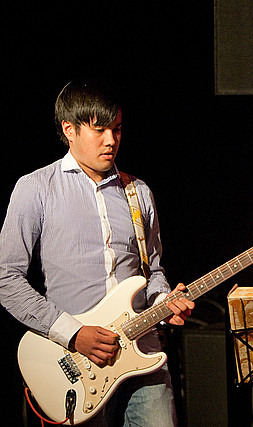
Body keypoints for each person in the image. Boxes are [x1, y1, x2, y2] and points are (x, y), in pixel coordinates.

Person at [0, 79, 195, 426]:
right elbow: (6, 280)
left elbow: (152, 272)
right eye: (100, 130)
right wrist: (74, 333)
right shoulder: (35, 189)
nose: (111, 141)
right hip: (75, 361)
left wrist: (166, 302)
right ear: (69, 129)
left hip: (143, 352)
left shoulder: (139, 193)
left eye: (117, 129)